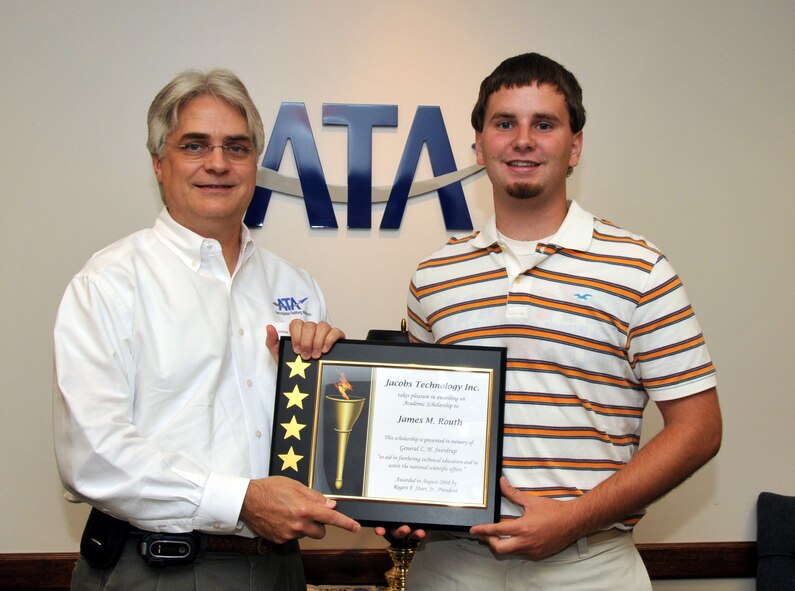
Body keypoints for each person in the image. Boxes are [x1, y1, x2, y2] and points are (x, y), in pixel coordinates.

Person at [387, 53, 722, 590]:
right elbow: (417, 425)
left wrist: (572, 520)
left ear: (575, 145)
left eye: (544, 124)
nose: (523, 140)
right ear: (479, 144)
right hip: (452, 567)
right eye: (505, 124)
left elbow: (699, 429)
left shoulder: (640, 267)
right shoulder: (434, 277)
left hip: (589, 566)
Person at [53, 68, 360, 590]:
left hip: (278, 567)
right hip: (155, 567)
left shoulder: (297, 286)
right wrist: (240, 500)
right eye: (195, 145)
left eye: (236, 148)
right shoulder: (109, 282)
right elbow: (92, 454)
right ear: (158, 162)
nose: (218, 163)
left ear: (255, 165)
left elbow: (319, 443)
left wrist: (336, 377)